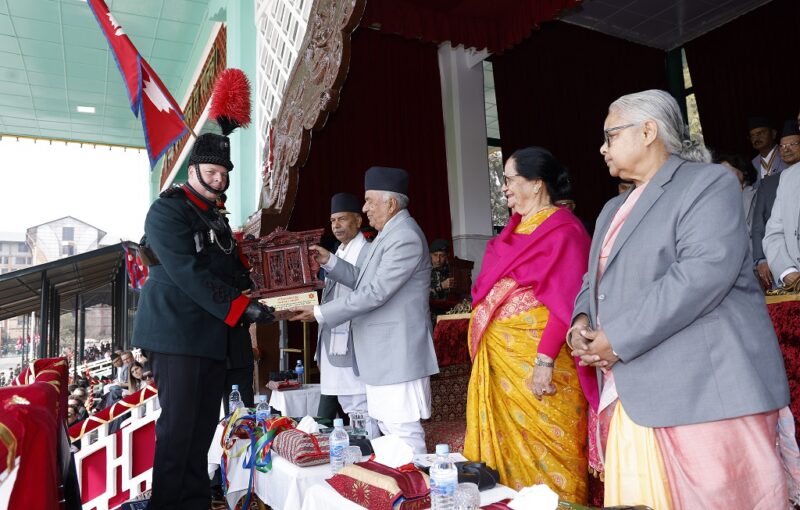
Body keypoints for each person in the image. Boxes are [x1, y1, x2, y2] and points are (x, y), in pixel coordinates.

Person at [571, 89, 789, 508]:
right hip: (635, 389)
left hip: (700, 392)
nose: (602, 148)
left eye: (610, 135)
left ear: (648, 131)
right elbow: (592, 279)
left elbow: (700, 275)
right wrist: (581, 323)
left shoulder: (708, 183)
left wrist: (617, 337)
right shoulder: (611, 209)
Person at [132, 130, 275, 510]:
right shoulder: (167, 211)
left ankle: (193, 503)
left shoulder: (214, 218)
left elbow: (230, 271)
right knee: (179, 431)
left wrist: (264, 293)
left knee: (201, 431)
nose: (219, 179)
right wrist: (241, 307)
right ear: (193, 170)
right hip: (177, 335)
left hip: (210, 337)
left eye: (224, 174)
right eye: (212, 172)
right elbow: (187, 272)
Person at [463, 147, 594, 501]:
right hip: (503, 369)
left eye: (510, 179)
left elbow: (567, 304)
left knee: (551, 464)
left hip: (543, 368)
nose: (504, 187)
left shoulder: (564, 231)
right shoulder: (513, 232)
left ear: (536, 184)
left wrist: (544, 361)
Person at [290, 166, 439, 454]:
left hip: (396, 354)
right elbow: (363, 280)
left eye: (370, 200)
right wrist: (330, 261)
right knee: (388, 430)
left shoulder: (404, 237)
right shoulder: (388, 234)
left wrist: (320, 313)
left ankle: (416, 483)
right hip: (384, 357)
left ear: (391, 203)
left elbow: (375, 292)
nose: (365, 208)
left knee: (403, 434)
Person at [315, 193, 371, 426]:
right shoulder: (339, 251)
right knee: (348, 403)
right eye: (332, 220)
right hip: (334, 341)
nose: (336, 225)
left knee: (360, 405)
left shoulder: (367, 251)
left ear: (358, 220)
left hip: (356, 342)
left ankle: (369, 444)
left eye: (342, 219)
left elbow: (363, 288)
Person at [752, 120, 800, 289]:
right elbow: (769, 230)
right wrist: (786, 271)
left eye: (793, 144)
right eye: (783, 146)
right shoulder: (784, 179)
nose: (787, 149)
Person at [716, 153, 758, 237]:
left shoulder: (757, 194)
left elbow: (754, 228)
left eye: (727, 170)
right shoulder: (716, 199)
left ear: (743, 171)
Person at [748, 115, 788, 186]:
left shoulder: (787, 154)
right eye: (752, 135)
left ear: (773, 133)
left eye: (760, 133)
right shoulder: (752, 164)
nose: (756, 138)